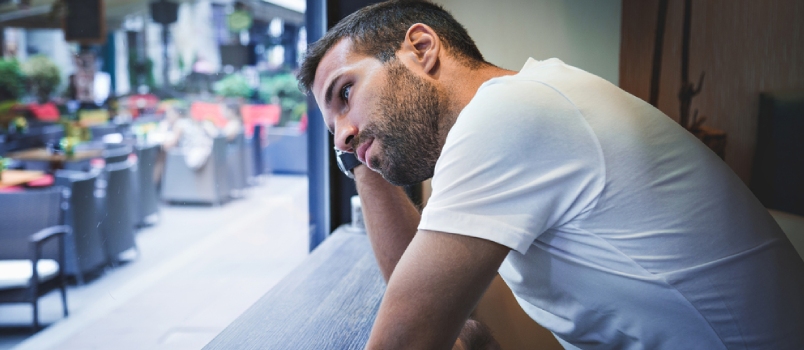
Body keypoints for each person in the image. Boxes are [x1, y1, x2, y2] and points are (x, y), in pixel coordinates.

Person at [297, 1, 804, 349]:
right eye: (331, 130)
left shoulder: (509, 113)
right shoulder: (518, 108)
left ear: (422, 48)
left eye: (345, 92)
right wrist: (357, 154)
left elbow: (406, 340)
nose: (340, 133)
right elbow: (427, 293)